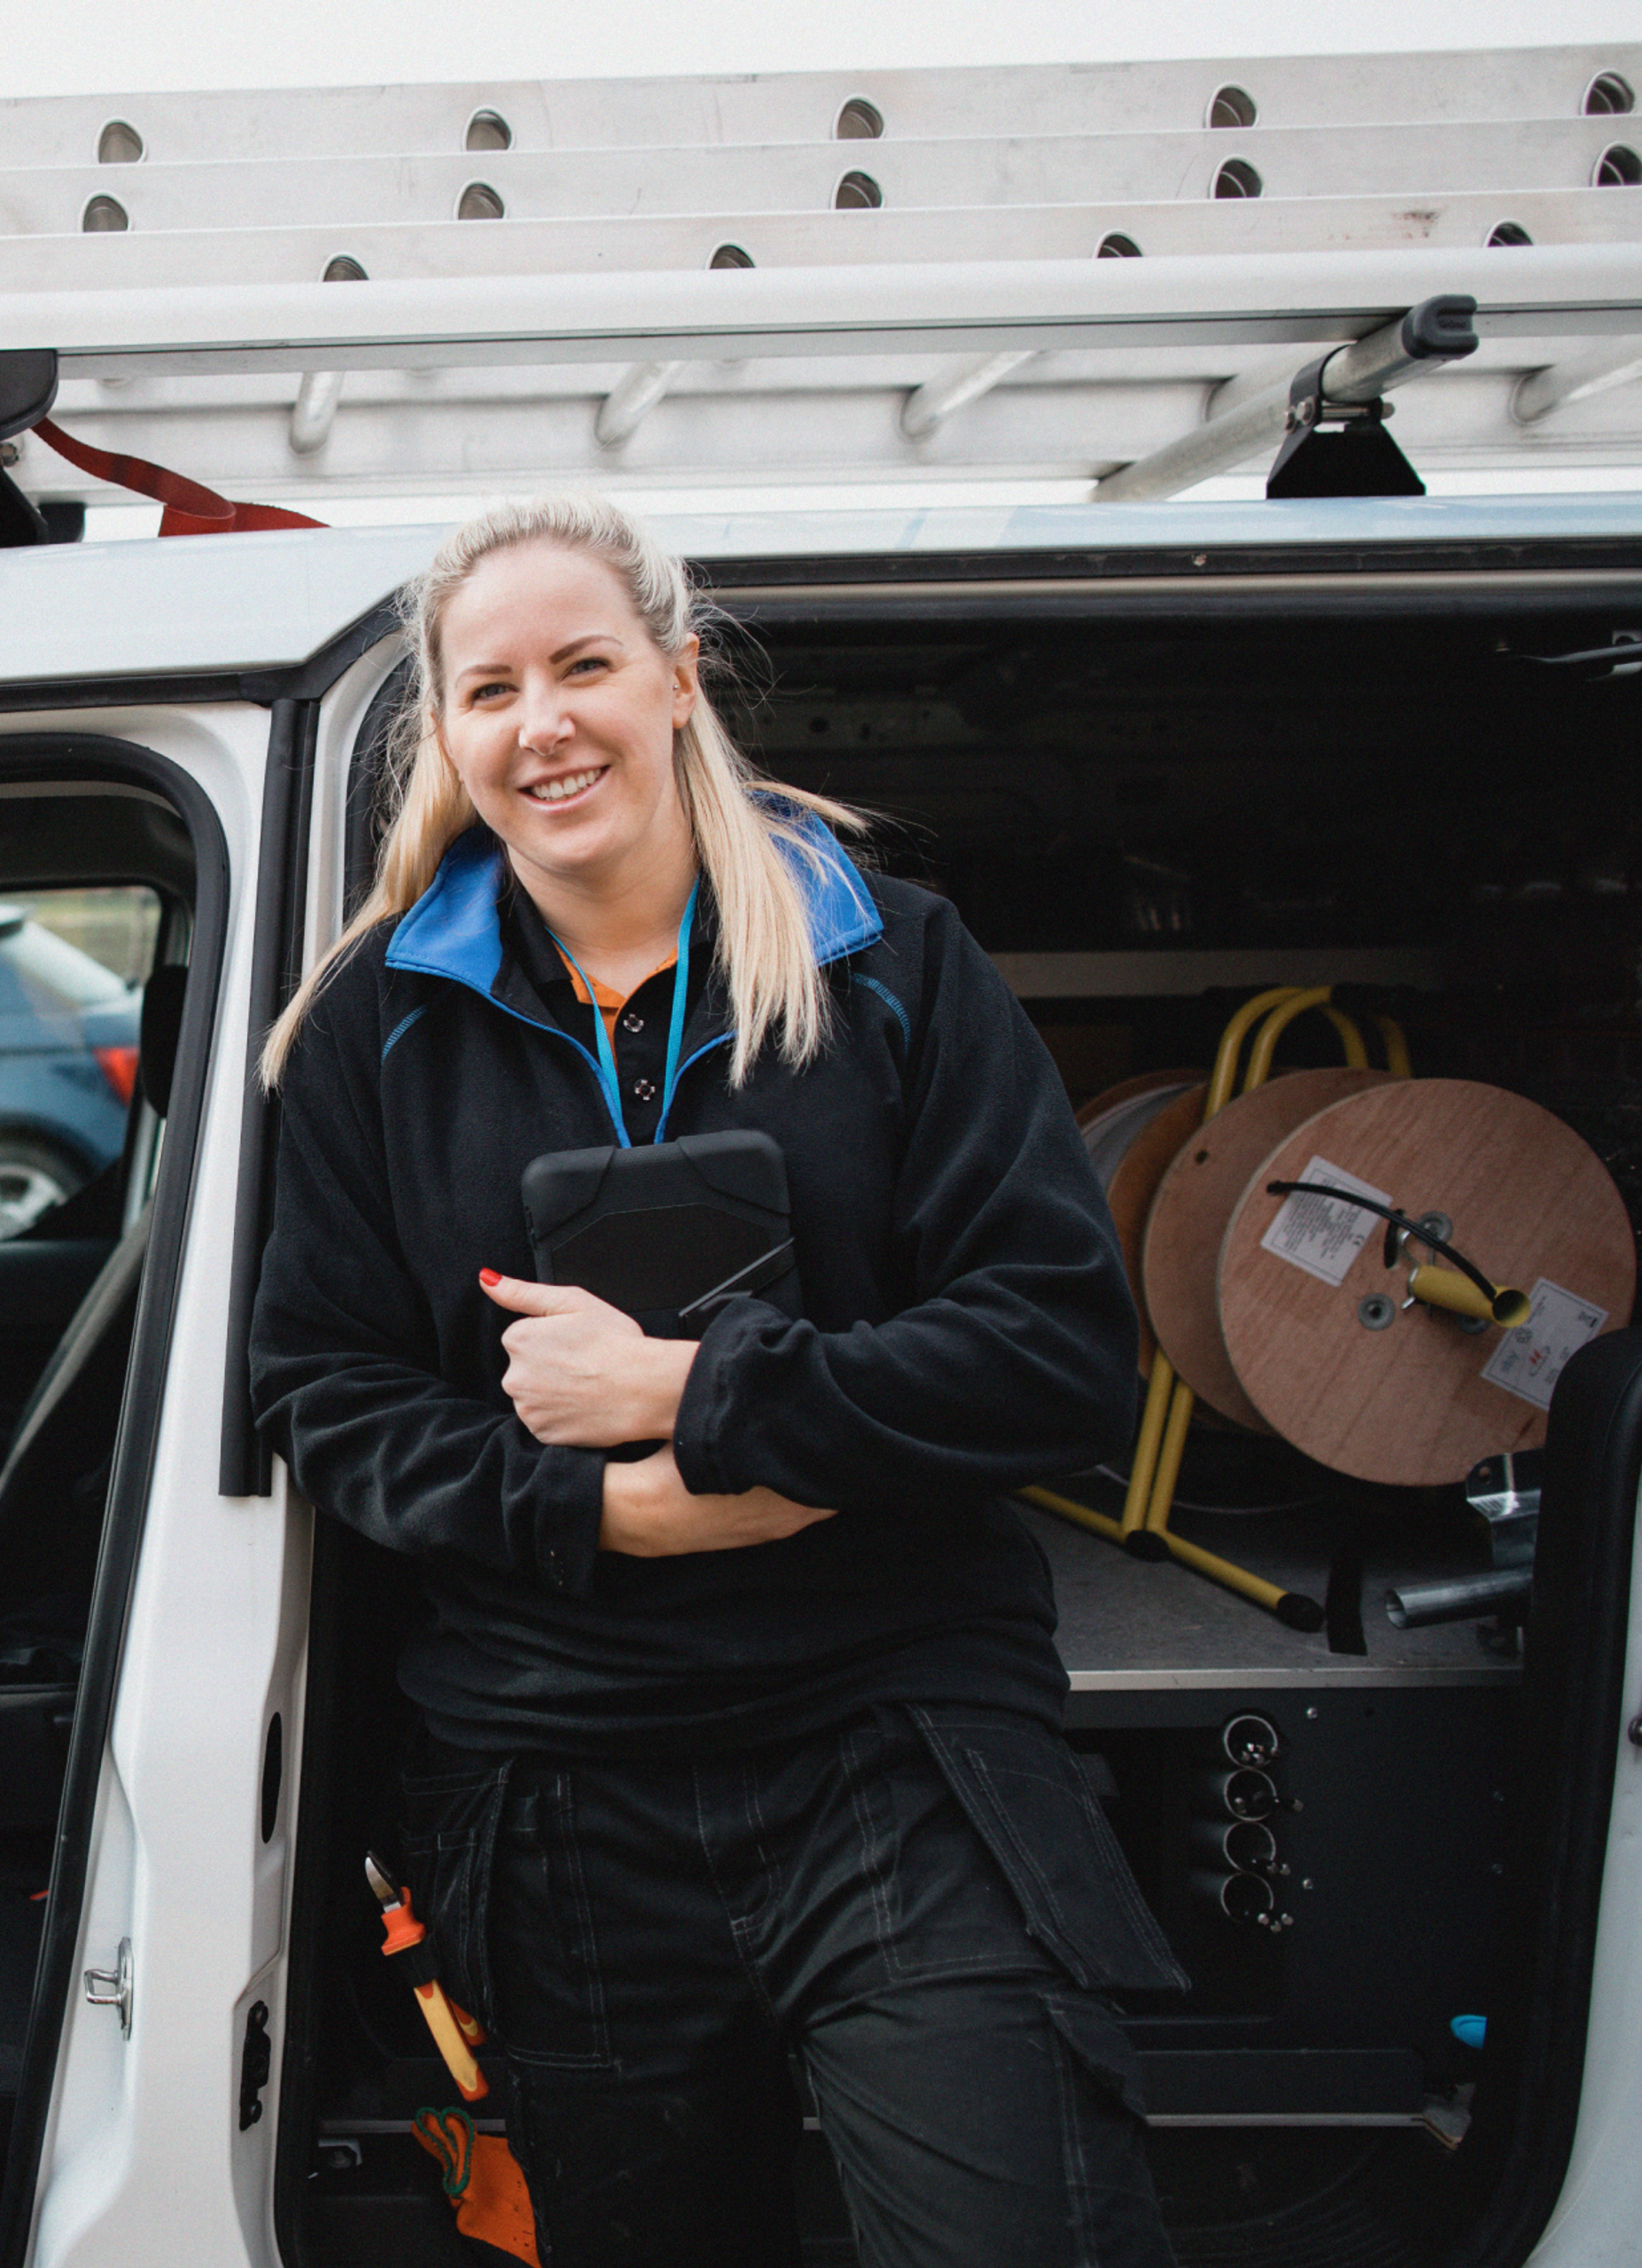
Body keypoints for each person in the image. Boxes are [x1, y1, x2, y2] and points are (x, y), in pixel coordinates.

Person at [251, 495, 1185, 2266]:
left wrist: (700, 1392)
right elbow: (328, 1396)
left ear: (678, 681)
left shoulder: (891, 962)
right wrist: (616, 1508)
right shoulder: (375, 1029)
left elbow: (1059, 1351)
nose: (544, 722)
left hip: (897, 1741)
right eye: (490, 687)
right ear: (446, 737)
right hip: (557, 1785)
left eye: (586, 664)